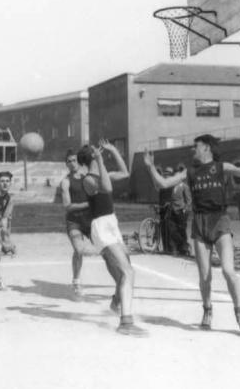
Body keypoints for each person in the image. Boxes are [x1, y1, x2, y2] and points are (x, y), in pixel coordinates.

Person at [144, 135, 240, 336]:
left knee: (229, 271)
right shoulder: (190, 171)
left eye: (195, 147)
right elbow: (163, 183)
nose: (192, 150)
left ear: (206, 149)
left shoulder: (222, 167)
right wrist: (150, 167)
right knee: (205, 275)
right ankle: (207, 310)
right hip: (200, 222)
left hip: (220, 220)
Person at [78, 139, 147, 337]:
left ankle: (117, 302)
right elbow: (107, 189)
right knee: (127, 272)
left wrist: (114, 150)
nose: (99, 151)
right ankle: (126, 322)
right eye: (96, 151)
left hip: (111, 224)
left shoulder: (102, 172)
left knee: (126, 268)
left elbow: (126, 173)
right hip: (100, 227)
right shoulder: (88, 179)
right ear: (91, 156)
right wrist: (100, 160)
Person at [60, 149, 91, 298]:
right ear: (66, 164)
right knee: (79, 250)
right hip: (74, 221)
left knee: (107, 249)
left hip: (90, 220)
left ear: (79, 161)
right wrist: (89, 204)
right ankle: (76, 281)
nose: (72, 163)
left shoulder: (88, 178)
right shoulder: (66, 182)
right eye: (69, 161)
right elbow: (68, 206)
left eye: (74, 160)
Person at [167, 163, 192, 256]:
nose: (175, 177)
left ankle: (184, 248)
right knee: (172, 230)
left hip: (181, 211)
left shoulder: (184, 186)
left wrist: (185, 209)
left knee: (181, 230)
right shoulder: (173, 187)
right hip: (173, 210)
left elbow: (189, 200)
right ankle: (179, 246)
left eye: (176, 176)